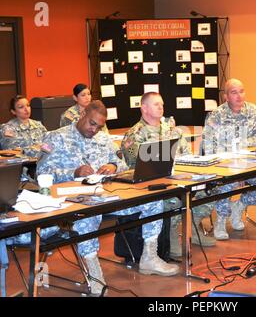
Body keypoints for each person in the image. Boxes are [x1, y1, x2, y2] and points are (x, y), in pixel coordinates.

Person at [37, 100, 179, 295]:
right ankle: (94, 272)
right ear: (82, 114)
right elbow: (41, 173)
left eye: (99, 126)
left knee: (152, 199)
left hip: (107, 195)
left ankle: (149, 257)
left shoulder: (103, 139)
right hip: (73, 200)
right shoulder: (55, 137)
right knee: (87, 216)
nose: (94, 129)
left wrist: (113, 166)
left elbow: (121, 164)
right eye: (91, 123)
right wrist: (73, 171)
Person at [121, 92, 216, 259]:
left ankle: (193, 229)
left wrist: (190, 171)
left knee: (211, 189)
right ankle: (171, 233)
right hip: (153, 185)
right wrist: (171, 177)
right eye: (156, 104)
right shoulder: (135, 134)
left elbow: (186, 155)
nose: (161, 107)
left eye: (162, 104)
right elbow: (139, 169)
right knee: (173, 200)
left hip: (180, 177)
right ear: (144, 108)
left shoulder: (172, 130)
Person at [202, 78, 256, 240]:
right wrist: (235, 168)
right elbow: (210, 147)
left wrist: (240, 148)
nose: (239, 96)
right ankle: (221, 220)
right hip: (223, 168)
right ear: (226, 96)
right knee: (227, 184)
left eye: (241, 91)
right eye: (234, 92)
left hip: (248, 166)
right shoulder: (216, 116)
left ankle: (239, 206)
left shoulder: (252, 111)